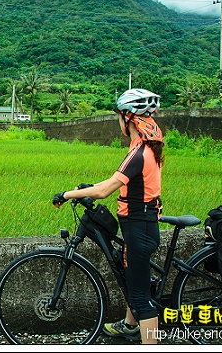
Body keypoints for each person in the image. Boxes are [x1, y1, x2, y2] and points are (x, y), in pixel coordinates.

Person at [52, 88, 164, 345]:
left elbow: (105, 190)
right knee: (133, 281)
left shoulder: (138, 154)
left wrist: (67, 194)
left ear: (128, 117)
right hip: (141, 224)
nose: (118, 122)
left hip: (140, 227)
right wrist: (85, 189)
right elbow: (120, 183)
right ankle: (129, 325)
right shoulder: (146, 147)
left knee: (141, 299)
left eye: (119, 116)